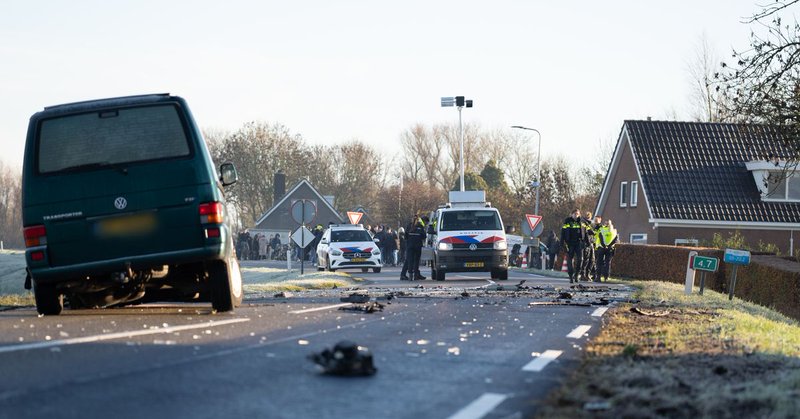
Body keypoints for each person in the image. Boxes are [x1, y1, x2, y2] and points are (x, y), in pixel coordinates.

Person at [560, 209, 586, 283]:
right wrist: (562, 244)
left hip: (578, 243)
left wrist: (587, 243)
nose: (576, 215)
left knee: (580, 259)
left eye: (577, 214)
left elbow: (585, 233)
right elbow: (562, 233)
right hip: (570, 243)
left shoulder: (581, 222)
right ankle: (571, 276)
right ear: (571, 214)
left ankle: (577, 274)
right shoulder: (567, 222)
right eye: (574, 214)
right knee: (570, 260)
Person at [400, 215, 427, 280]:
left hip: (409, 245)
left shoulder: (409, 225)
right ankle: (415, 275)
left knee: (409, 260)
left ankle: (410, 274)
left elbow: (405, 236)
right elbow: (424, 236)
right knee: (416, 261)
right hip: (418, 246)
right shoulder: (420, 226)